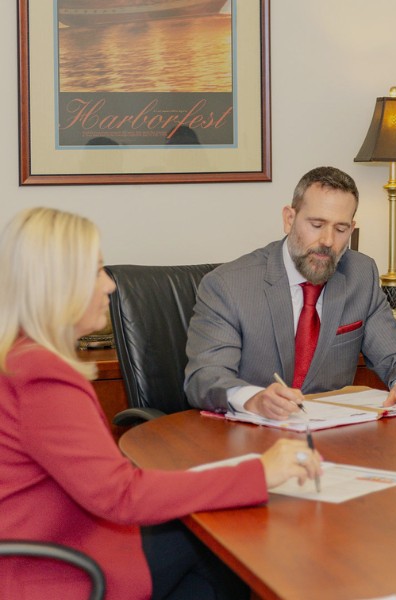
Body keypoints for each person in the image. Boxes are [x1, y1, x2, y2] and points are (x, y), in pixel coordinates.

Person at [0, 207, 322, 600]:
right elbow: (121, 495)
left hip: (48, 541)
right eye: (95, 270)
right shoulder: (43, 378)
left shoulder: (17, 356)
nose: (110, 286)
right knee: (233, 549)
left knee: (211, 545)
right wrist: (259, 472)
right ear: (57, 283)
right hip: (57, 572)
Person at [185, 166, 396, 420]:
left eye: (340, 229)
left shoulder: (361, 275)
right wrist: (253, 398)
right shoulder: (229, 285)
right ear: (289, 219)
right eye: (317, 225)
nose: (328, 240)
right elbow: (205, 377)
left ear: (352, 229)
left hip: (332, 439)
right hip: (250, 437)